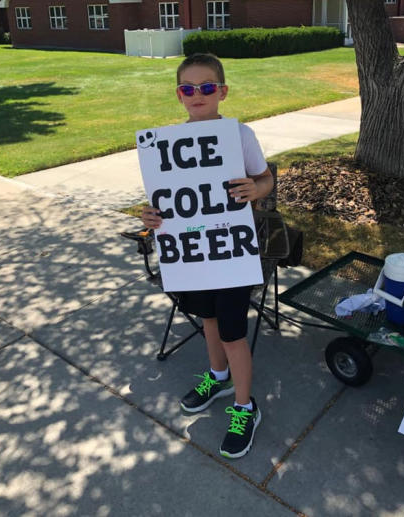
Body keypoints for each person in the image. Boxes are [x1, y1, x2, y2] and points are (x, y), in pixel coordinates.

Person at [141, 53, 273, 459]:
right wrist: (151, 217)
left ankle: (245, 407)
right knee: (209, 320)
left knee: (234, 333)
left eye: (207, 87)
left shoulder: (240, 136)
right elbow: (162, 205)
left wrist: (257, 189)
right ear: (179, 95)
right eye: (188, 88)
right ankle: (218, 378)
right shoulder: (167, 145)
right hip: (193, 257)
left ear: (222, 92)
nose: (197, 95)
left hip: (231, 253)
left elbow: (265, 177)